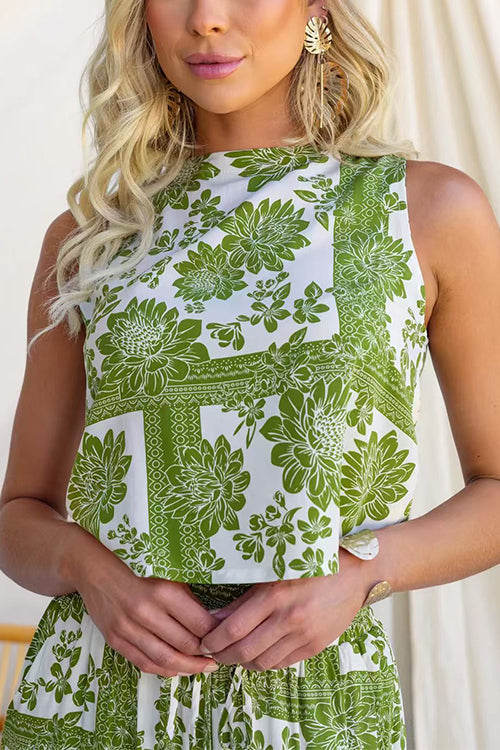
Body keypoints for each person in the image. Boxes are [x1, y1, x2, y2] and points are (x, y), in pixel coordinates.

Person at [1, 0, 499, 747]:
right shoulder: (92, 236)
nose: (207, 18)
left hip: (312, 709)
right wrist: (90, 571)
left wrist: (361, 569)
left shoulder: (425, 211)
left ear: (316, 9)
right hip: (93, 699)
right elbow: (19, 516)